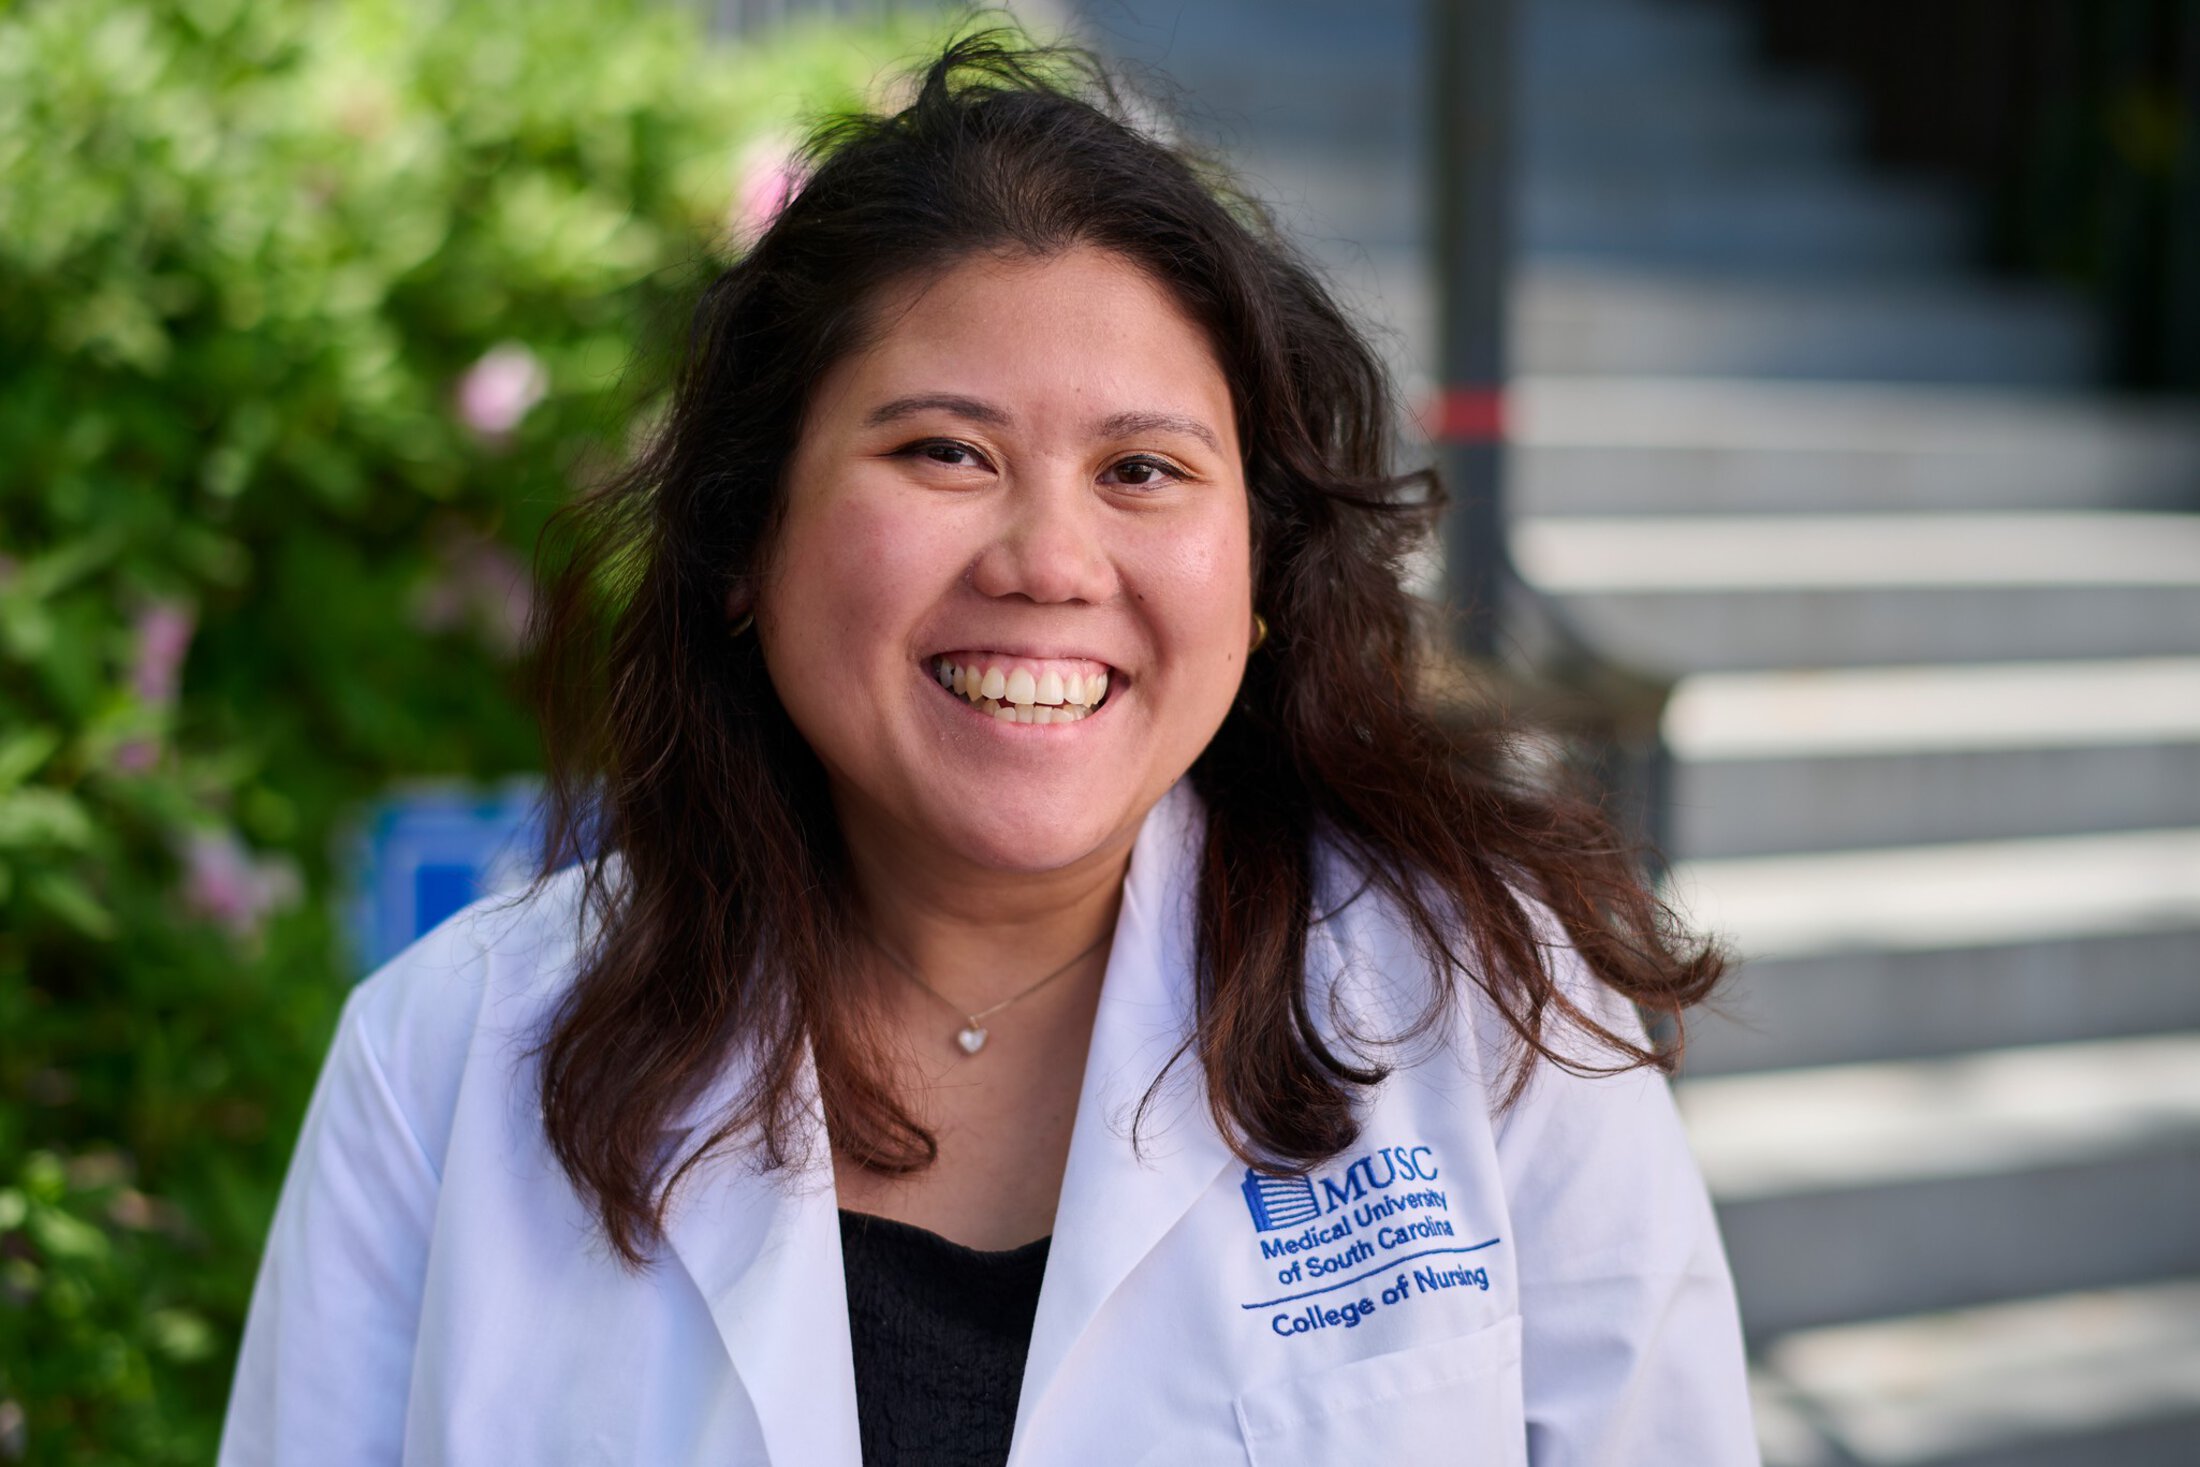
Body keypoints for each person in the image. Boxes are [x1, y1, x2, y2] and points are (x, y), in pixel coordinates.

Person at [219, 32, 1758, 1467]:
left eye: (1145, 469)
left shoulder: (1489, 1026)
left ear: (1265, 573)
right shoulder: (446, 1059)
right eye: (944, 453)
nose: (1049, 559)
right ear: (748, 537)